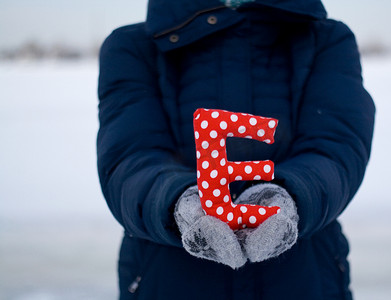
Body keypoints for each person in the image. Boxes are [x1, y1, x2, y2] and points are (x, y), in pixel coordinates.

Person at [97, 0, 375, 298]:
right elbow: (131, 158)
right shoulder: (134, 47)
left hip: (303, 279)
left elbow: (334, 148)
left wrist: (290, 195)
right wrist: (178, 203)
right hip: (168, 280)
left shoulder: (326, 39)